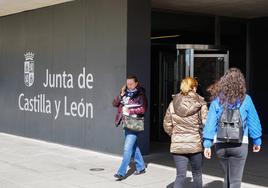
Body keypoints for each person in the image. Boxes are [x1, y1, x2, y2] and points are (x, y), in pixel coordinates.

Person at [203, 67, 262, 188]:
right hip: (240, 144)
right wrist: (257, 140)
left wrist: (207, 144)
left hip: (220, 144)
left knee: (227, 177)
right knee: (235, 181)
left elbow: (210, 123)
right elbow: (253, 122)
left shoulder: (217, 100)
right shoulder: (246, 99)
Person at [163, 77, 208, 188]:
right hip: (195, 143)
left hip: (178, 144)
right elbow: (206, 123)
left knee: (180, 175)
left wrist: (175, 135)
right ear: (193, 87)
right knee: (197, 174)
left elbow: (167, 124)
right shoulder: (201, 102)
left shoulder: (173, 103)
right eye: (196, 86)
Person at [112, 75, 147, 180]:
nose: (129, 86)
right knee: (133, 147)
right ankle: (141, 167)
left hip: (134, 124)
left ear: (136, 83)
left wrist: (130, 111)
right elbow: (114, 103)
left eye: (131, 83)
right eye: (127, 84)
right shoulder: (125, 93)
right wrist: (121, 94)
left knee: (127, 148)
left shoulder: (140, 95)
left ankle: (121, 172)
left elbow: (143, 109)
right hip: (125, 123)